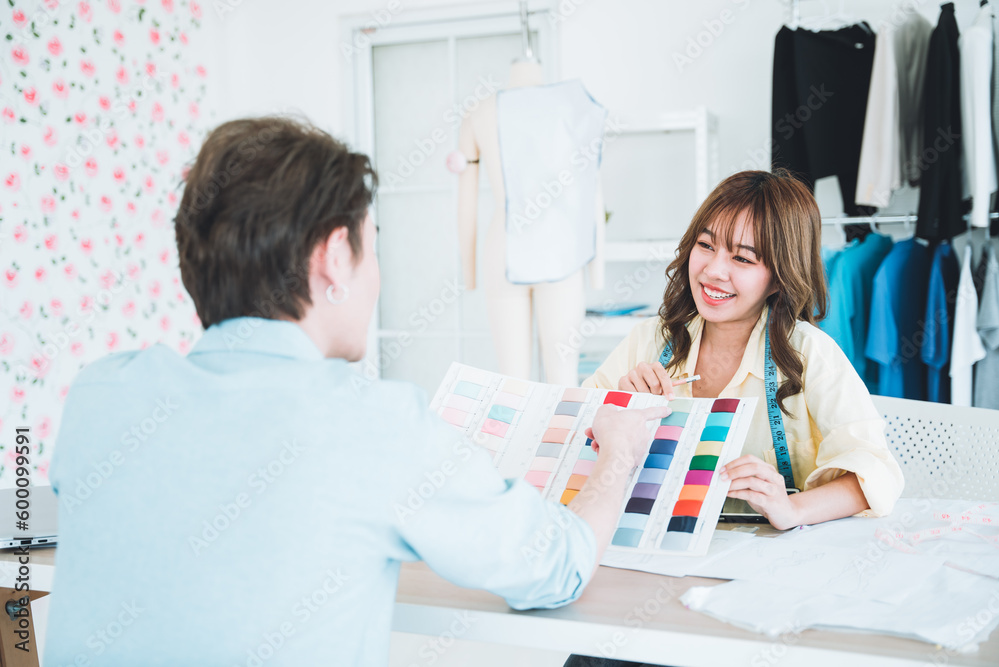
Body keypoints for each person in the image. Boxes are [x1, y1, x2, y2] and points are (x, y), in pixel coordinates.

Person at [44, 116, 667, 666]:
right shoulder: (370, 420)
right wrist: (618, 454)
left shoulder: (99, 395)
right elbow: (555, 567)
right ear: (335, 257)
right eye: (373, 246)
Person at [563, 170, 905, 667]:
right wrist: (620, 409)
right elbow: (575, 429)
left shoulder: (809, 355)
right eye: (706, 246)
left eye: (743, 259)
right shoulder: (650, 340)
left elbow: (876, 473)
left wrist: (794, 509)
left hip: (759, 583)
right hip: (651, 566)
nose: (714, 271)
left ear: (781, 274)